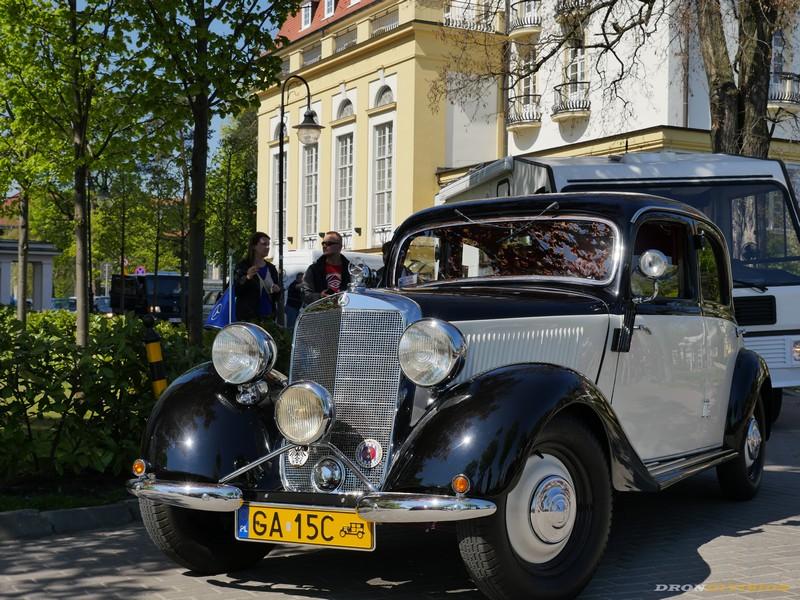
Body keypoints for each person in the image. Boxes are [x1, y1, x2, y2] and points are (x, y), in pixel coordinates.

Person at [234, 232, 281, 321]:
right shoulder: (243, 266)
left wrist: (277, 291)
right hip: (248, 318)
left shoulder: (271, 268)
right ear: (253, 246)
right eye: (264, 244)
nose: (267, 247)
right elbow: (236, 290)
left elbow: (276, 298)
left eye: (268, 244)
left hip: (268, 317)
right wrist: (247, 277)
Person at [301, 231, 351, 305]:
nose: (324, 246)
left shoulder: (350, 269)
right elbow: (305, 295)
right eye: (323, 243)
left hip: (344, 312)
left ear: (340, 246)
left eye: (329, 243)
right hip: (322, 313)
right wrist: (320, 296)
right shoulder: (314, 269)